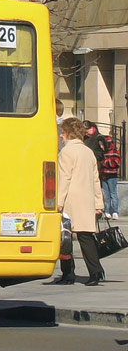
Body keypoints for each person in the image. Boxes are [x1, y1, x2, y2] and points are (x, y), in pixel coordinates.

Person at [55, 117, 105, 286]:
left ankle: (68, 273)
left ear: (68, 133)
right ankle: (96, 271)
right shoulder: (88, 152)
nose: (61, 136)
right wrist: (99, 203)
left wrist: (59, 201)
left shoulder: (66, 152)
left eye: (63, 132)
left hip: (70, 200)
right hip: (87, 199)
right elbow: (95, 179)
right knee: (86, 237)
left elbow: (64, 179)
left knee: (65, 238)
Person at [100, 134, 121, 220]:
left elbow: (116, 163)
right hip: (104, 175)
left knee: (113, 193)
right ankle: (107, 211)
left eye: (102, 144)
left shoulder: (114, 151)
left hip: (112, 175)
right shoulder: (102, 152)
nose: (101, 146)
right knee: (106, 194)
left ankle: (115, 211)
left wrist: (104, 163)